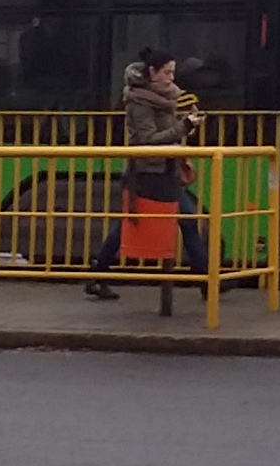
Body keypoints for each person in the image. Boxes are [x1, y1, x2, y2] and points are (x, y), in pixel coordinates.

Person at [85, 49, 209, 299]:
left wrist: (188, 124)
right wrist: (184, 126)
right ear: (152, 72)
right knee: (138, 223)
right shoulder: (139, 100)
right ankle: (207, 280)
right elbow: (147, 140)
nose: (171, 78)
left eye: (173, 72)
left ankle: (207, 280)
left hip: (164, 171)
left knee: (181, 220)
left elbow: (167, 132)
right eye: (166, 72)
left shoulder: (165, 96)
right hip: (147, 173)